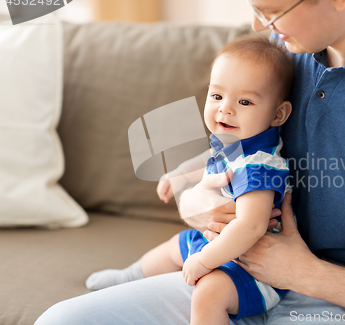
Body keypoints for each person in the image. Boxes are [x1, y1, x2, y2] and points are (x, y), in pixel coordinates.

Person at [36, 0, 345, 324]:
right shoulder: (286, 49)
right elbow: (228, 157)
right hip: (245, 275)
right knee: (61, 320)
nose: (260, 25)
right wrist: (196, 200)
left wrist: (306, 274)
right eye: (254, 6)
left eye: (272, 10)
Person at [85, 34, 294, 325]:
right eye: (217, 96)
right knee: (174, 247)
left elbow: (252, 226)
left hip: (253, 266)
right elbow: (210, 156)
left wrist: (205, 261)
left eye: (244, 101)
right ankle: (128, 277)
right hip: (218, 243)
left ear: (278, 114)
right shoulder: (237, 140)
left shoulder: (259, 165)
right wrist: (181, 173)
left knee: (208, 294)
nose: (226, 108)